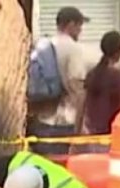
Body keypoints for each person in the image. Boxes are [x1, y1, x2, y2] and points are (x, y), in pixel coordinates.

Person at [30, 6, 90, 156]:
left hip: (41, 120)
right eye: (79, 26)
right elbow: (78, 91)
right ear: (71, 25)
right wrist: (78, 130)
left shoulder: (42, 46)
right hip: (63, 123)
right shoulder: (73, 49)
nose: (81, 31)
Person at [80, 31, 120, 137]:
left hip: (92, 131)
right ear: (118, 52)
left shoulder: (92, 74)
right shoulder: (117, 76)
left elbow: (82, 103)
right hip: (111, 132)